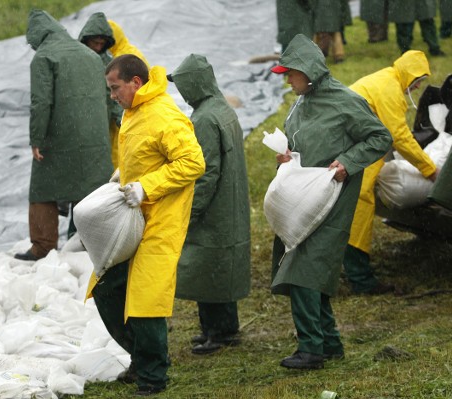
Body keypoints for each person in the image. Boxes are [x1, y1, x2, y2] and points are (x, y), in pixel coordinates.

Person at [270, 34, 392, 369]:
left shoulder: (345, 101)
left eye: (290, 74)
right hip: (301, 195)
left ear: (307, 71)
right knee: (305, 265)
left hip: (331, 199)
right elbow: (300, 139)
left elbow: (380, 137)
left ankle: (311, 349)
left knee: (304, 270)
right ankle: (329, 342)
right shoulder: (301, 100)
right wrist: (287, 156)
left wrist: (347, 163)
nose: (287, 81)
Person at [90, 54, 205, 395]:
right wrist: (122, 176)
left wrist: (146, 187)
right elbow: (142, 155)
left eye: (115, 88)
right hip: (133, 218)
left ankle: (153, 375)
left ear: (135, 83)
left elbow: (193, 161)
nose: (112, 95)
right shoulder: (133, 112)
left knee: (145, 299)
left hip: (160, 220)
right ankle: (140, 356)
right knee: (107, 288)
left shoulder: (163, 116)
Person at [169, 54, 251, 355]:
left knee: (208, 268)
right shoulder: (223, 109)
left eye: (184, 86)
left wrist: (191, 210)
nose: (182, 93)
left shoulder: (204, 118)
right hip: (230, 202)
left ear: (195, 84)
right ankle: (223, 328)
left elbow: (205, 172)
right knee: (221, 267)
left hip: (213, 207)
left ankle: (217, 332)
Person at [15, 9, 112, 261]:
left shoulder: (44, 57)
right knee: (89, 189)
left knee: (42, 191)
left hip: (59, 137)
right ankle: (91, 245)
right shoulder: (92, 56)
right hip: (95, 139)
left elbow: (41, 102)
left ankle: (42, 247)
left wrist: (36, 138)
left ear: (37, 36)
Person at [344, 50, 438, 295]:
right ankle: (360, 277)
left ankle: (346, 265)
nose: (418, 87)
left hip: (350, 140)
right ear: (408, 75)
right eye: (417, 81)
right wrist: (429, 169)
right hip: (350, 144)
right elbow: (400, 137)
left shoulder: (386, 78)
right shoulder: (390, 88)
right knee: (360, 199)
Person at [78, 12, 123, 170]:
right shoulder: (76, 59)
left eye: (101, 43)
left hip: (101, 121)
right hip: (79, 120)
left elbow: (116, 95)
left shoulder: (109, 62)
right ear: (86, 39)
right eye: (94, 42)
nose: (98, 47)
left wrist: (122, 121)